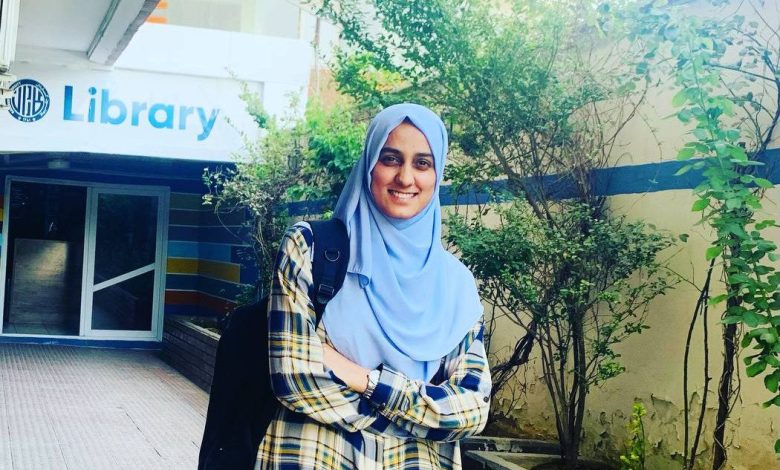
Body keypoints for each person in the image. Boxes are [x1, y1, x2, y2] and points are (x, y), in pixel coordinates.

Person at [259, 103, 491, 469]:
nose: (405, 177)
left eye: (422, 163)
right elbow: (295, 379)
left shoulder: (456, 285)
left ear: (437, 174)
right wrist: (419, 414)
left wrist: (366, 380)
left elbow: (472, 410)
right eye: (391, 159)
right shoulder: (310, 249)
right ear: (369, 164)